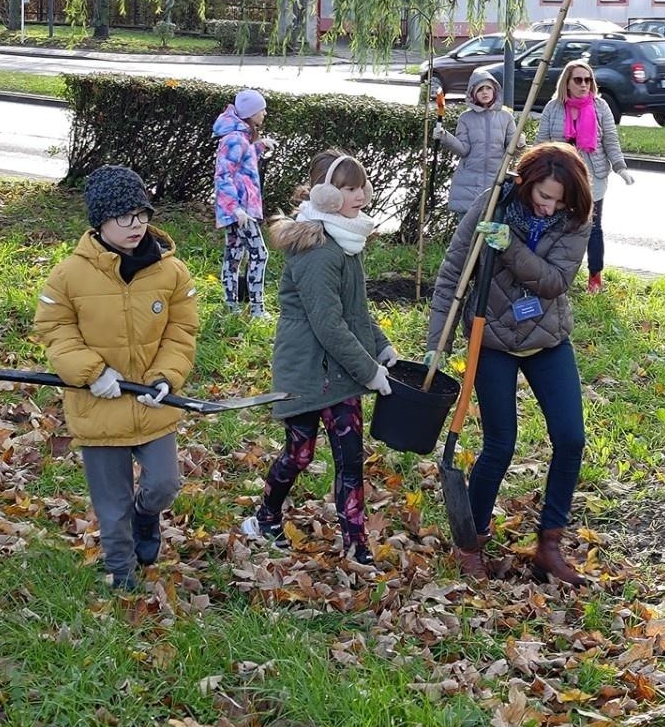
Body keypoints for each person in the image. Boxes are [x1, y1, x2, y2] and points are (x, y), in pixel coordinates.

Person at [427, 143, 593, 584]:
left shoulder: (576, 219)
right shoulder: (493, 203)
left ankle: (549, 545)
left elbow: (556, 281)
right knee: (500, 445)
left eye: (558, 199)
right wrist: (435, 341)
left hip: (546, 339)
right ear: (527, 181)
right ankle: (471, 540)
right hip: (492, 339)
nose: (549, 205)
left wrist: (511, 247)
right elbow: (451, 275)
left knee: (571, 438)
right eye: (543, 195)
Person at [33, 165, 198, 592]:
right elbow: (55, 330)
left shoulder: (170, 271)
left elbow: (182, 331)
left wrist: (166, 377)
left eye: (141, 215)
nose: (136, 226)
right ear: (100, 221)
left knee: (163, 484)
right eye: (124, 217)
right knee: (112, 506)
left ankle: (148, 516)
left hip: (151, 405)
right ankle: (122, 575)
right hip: (98, 406)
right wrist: (92, 373)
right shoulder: (69, 275)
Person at [240, 150, 398, 565]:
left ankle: (355, 546)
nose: (359, 195)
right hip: (308, 370)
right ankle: (265, 517)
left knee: (350, 460)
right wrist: (369, 369)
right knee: (300, 453)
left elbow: (354, 310)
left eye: (361, 186)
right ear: (326, 195)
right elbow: (328, 325)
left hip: (338, 371)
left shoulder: (346, 241)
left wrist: (379, 344)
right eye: (348, 188)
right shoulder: (318, 250)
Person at [536, 59, 634, 293]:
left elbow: (610, 138)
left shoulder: (600, 106)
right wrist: (536, 170)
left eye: (588, 80)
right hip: (561, 177)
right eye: (578, 80)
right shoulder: (553, 107)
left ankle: (595, 276)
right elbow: (542, 142)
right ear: (567, 83)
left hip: (594, 176)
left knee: (593, 227)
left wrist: (620, 167)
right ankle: (555, 275)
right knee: (558, 225)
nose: (584, 85)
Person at [213, 88, 276, 318]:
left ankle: (232, 306)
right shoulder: (234, 139)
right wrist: (235, 208)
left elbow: (241, 168)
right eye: (261, 109)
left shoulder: (241, 137)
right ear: (250, 113)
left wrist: (258, 148)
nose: (265, 113)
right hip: (240, 211)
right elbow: (223, 176)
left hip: (240, 209)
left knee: (234, 255)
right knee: (259, 254)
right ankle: (257, 308)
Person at [432, 68, 522, 217]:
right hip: (469, 180)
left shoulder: (505, 117)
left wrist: (519, 143)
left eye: (488, 88)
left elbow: (511, 150)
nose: (485, 92)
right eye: (480, 89)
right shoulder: (465, 118)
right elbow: (463, 150)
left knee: (494, 227)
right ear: (473, 93)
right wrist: (444, 136)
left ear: (495, 91)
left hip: (496, 180)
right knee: (467, 229)